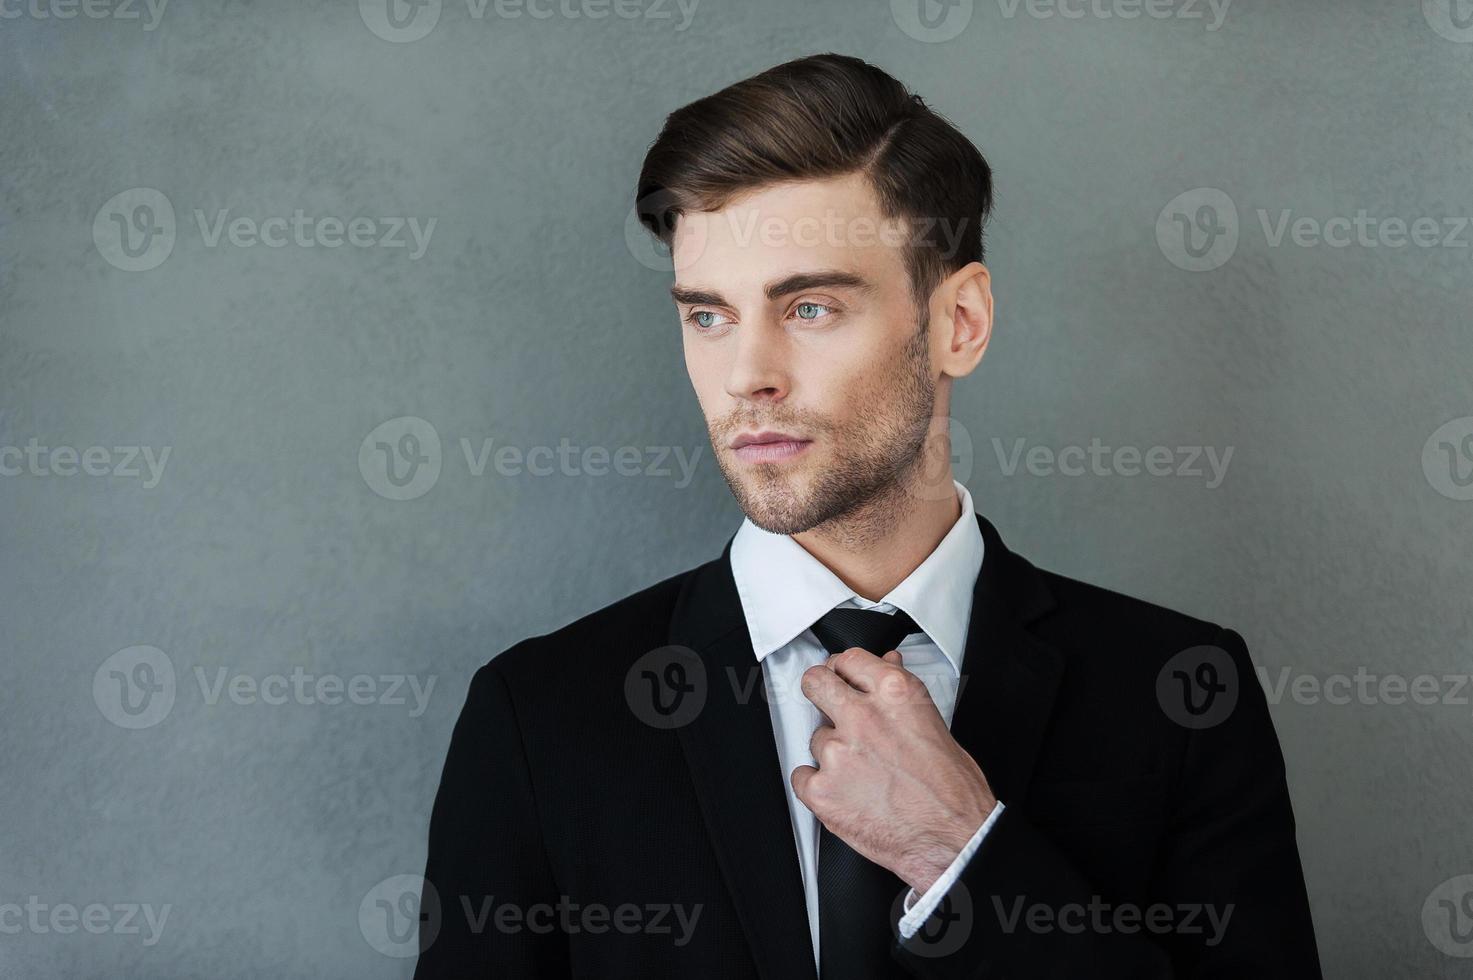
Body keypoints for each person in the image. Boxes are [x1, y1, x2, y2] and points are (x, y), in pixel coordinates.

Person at [411, 52, 1322, 979]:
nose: (744, 376)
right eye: (708, 316)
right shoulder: (540, 715)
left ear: (957, 323)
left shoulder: (1180, 693)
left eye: (807, 307)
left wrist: (960, 855)